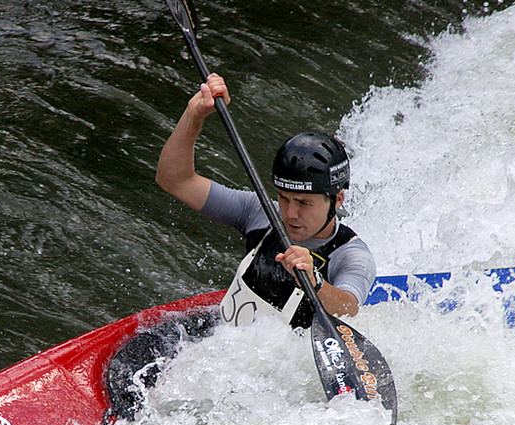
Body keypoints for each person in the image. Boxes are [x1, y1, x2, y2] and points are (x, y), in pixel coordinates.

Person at [155, 73, 376, 329]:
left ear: (337, 200)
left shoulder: (351, 255)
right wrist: (194, 115)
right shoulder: (258, 212)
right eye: (284, 198)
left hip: (286, 361)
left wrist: (315, 281)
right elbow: (175, 181)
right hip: (226, 341)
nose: (290, 213)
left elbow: (350, 309)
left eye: (304, 203)